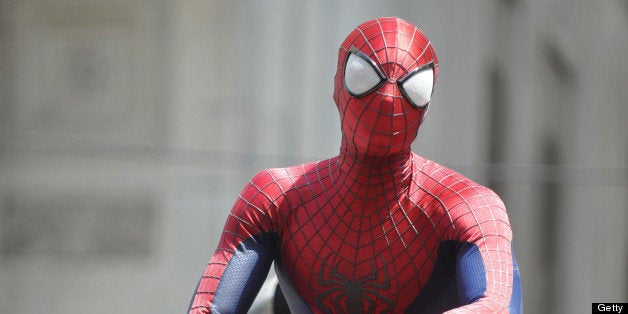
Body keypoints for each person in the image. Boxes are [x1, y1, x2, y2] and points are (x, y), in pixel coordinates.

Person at [188, 16, 522, 313]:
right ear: (338, 84)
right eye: (367, 78)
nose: (389, 98)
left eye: (409, 87)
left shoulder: (467, 206)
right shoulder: (274, 198)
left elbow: (498, 305)